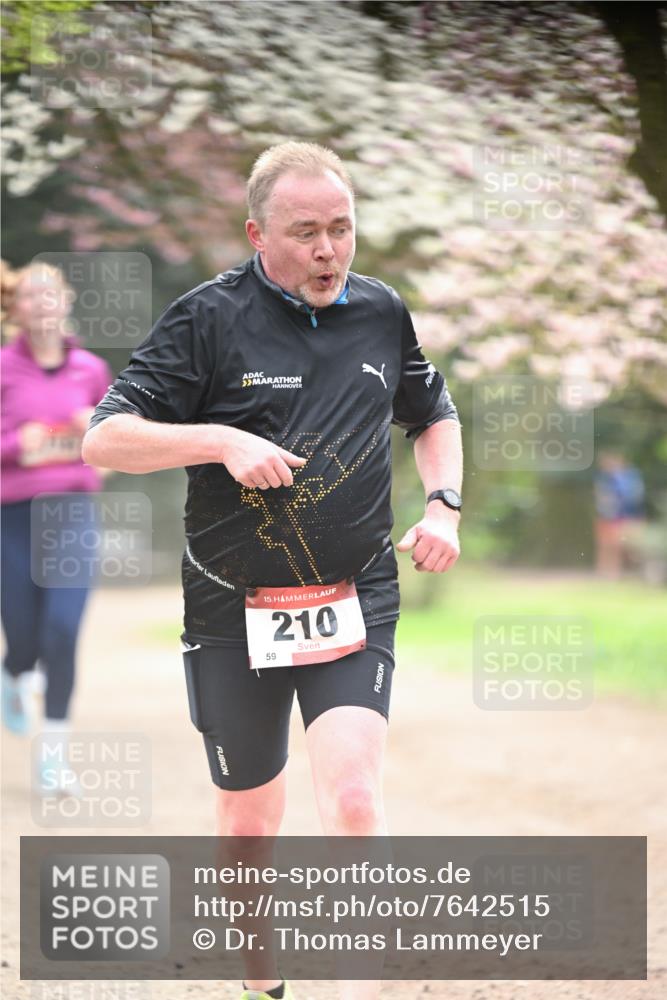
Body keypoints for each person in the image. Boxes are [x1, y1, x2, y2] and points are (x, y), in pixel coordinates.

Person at [82, 141, 463, 1000]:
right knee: (250, 822)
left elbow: (432, 413)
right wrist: (219, 439)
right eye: (306, 233)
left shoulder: (379, 311)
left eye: (341, 229)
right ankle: (263, 985)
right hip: (231, 608)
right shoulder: (206, 320)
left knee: (356, 798)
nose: (329, 250)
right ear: (258, 233)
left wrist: (443, 505)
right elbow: (103, 437)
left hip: (352, 593)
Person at [1, 261, 112, 787]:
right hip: (12, 518)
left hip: (70, 514)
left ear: (66, 302)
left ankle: (54, 758)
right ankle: (12, 672)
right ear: (15, 309)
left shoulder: (90, 370)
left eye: (52, 292)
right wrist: (15, 446)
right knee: (23, 637)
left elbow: (112, 453)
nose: (42, 301)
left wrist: (93, 434)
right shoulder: (2, 369)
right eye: (30, 294)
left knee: (63, 630)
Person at [594, 450, 646, 578]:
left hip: (629, 516)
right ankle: (609, 574)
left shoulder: (630, 477)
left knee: (632, 547)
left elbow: (634, 497)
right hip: (611, 517)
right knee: (609, 546)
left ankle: (634, 572)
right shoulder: (605, 478)